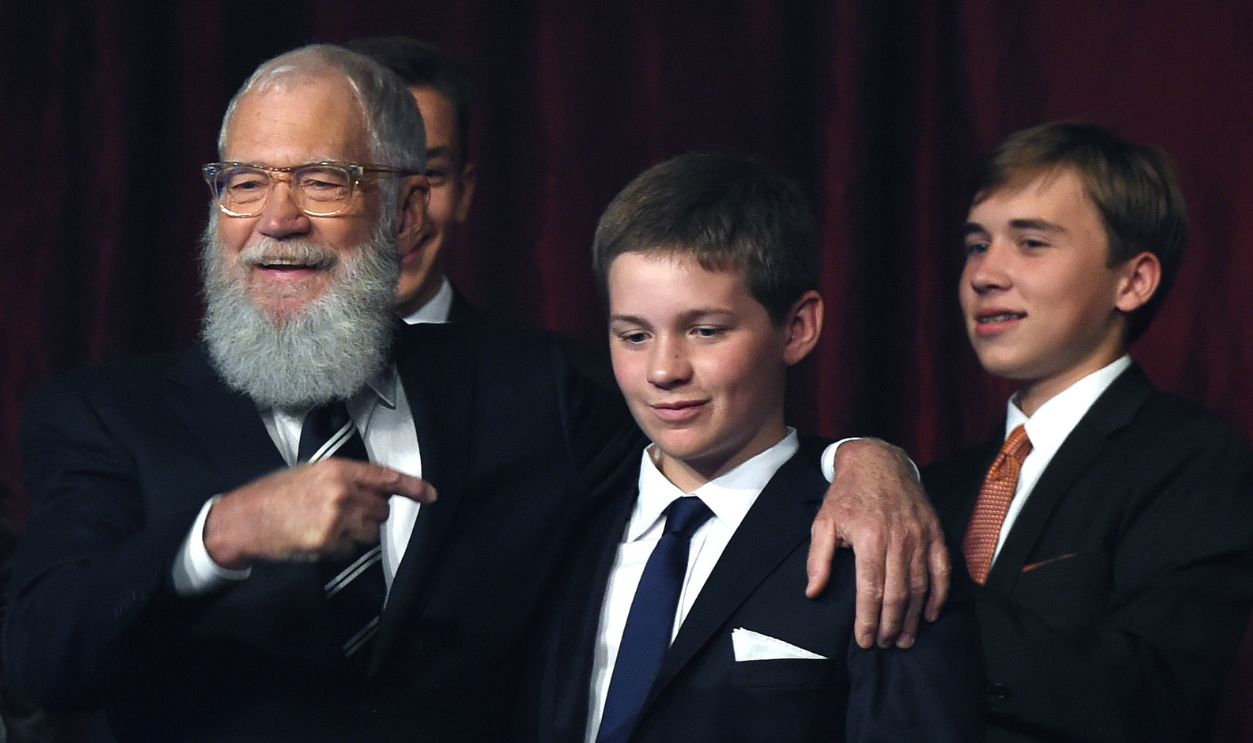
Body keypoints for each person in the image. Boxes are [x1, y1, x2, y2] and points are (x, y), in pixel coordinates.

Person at [4, 45, 945, 741]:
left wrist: (864, 458)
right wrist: (222, 533)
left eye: (323, 180)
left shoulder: (533, 388)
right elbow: (41, 652)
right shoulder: (102, 415)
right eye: (244, 182)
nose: (276, 219)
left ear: (406, 211)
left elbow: (708, 422)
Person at [535, 153, 983, 743]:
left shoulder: (876, 541)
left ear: (797, 328)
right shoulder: (560, 521)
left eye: (706, 331)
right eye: (634, 335)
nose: (664, 370)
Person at [923, 121, 1253, 742]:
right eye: (976, 244)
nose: (985, 274)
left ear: (1133, 281)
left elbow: (1151, 696)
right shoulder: (934, 485)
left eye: (1031, 243)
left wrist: (928, 596)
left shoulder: (1192, 459)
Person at [344, 36, 480, 323]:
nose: (399, 214)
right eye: (369, 173)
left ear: (464, 193)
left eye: (431, 173)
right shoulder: (245, 367)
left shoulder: (562, 368)